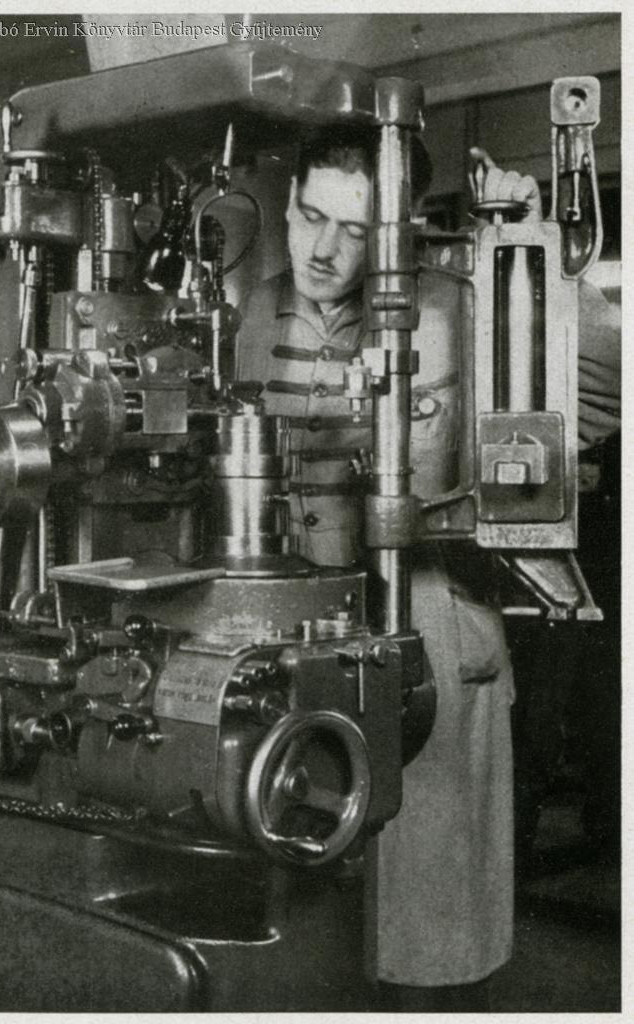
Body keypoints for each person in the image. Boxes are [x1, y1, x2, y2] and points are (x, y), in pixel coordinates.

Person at [236, 125, 620, 1011]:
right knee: (311, 917)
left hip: (432, 633)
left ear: (400, 226)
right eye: (309, 217)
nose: (324, 251)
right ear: (288, 200)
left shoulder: (461, 302)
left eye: (354, 230)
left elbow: (609, 390)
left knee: (430, 928)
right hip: (291, 634)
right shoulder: (255, 312)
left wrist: (537, 259)